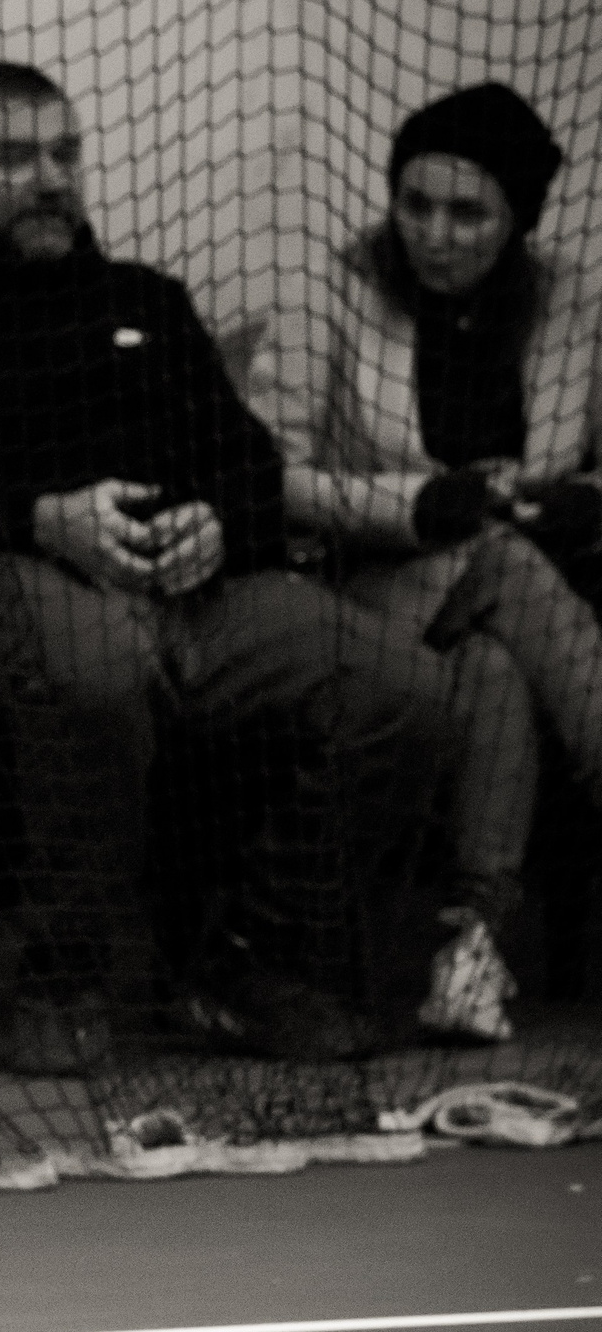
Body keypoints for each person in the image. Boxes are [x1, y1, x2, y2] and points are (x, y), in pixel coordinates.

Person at [0, 63, 463, 1069]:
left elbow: (249, 468)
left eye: (64, 153)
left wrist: (217, 524)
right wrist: (35, 521)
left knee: (404, 687)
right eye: (11, 158)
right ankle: (64, 975)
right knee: (97, 665)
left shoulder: (144, 301)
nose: (48, 179)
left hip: (196, 594)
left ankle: (249, 961)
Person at [246, 82, 602, 1041]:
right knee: (494, 557)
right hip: (356, 591)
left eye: (467, 213)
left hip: (495, 612)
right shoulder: (330, 287)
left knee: (493, 670)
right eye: (415, 204)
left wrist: (583, 504)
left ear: (517, 219)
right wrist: (411, 507)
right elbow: (262, 477)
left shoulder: (569, 304)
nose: (434, 234)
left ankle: (470, 950)